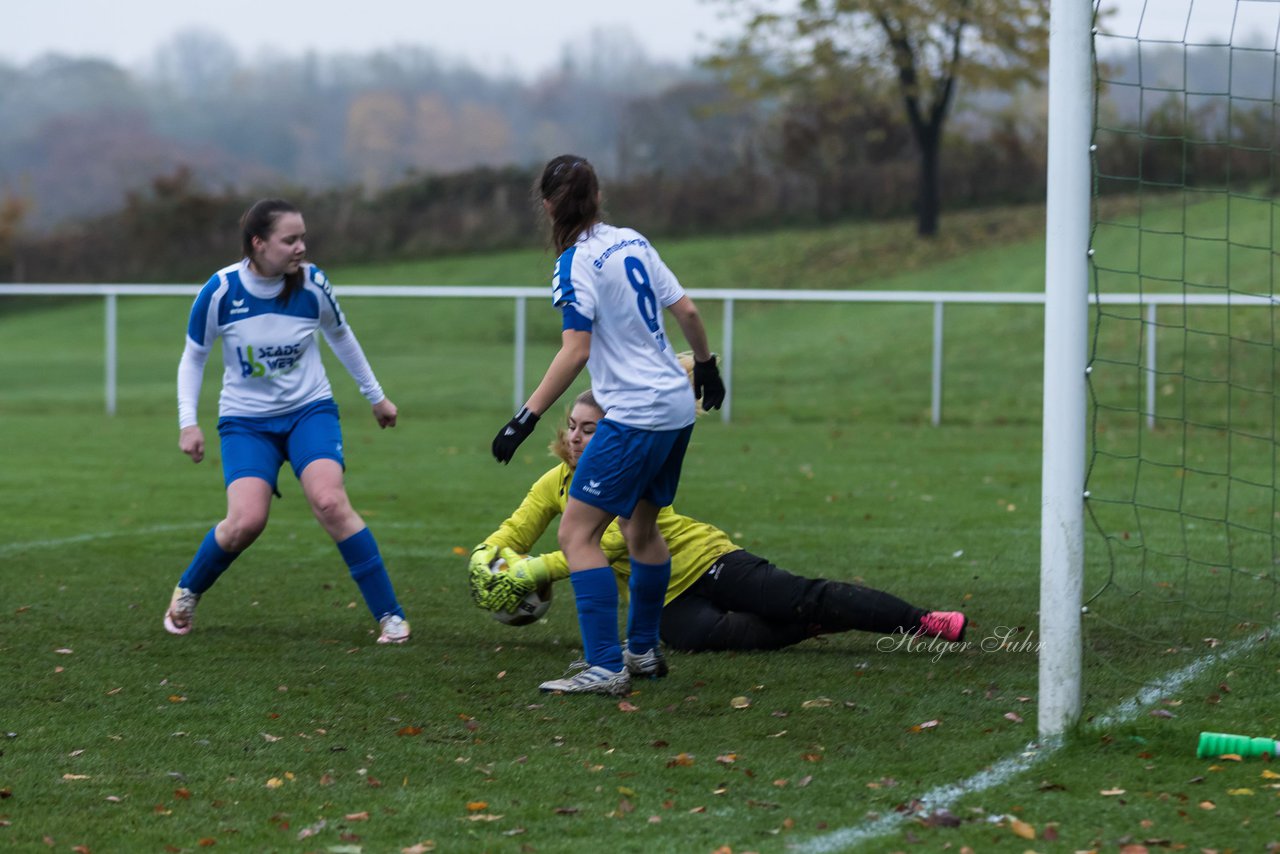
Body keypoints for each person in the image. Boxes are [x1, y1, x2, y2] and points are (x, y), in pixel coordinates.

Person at [480, 154, 726, 696]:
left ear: (547, 206)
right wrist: (706, 365)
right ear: (597, 198)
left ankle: (605, 665)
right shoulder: (633, 240)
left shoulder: (573, 263)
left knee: (576, 532)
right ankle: (642, 651)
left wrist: (525, 418)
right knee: (642, 528)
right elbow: (685, 312)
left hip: (635, 413)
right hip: (676, 407)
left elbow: (575, 350)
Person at [471, 390, 967, 655]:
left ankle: (924, 621)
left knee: (801, 595)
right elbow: (518, 527)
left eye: (592, 430)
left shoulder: (627, 468)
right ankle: (813, 625)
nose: (577, 438)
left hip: (708, 561)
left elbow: (616, 545)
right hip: (663, 596)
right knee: (709, 639)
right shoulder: (553, 481)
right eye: (574, 428)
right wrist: (489, 555)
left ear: (615, 435)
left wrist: (535, 571)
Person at [165, 198, 410, 644]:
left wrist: (376, 397)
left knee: (330, 502)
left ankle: (391, 616)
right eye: (290, 239)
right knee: (245, 522)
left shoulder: (313, 284)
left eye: (303, 238)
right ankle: (187, 592)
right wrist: (188, 422)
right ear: (258, 243)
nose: (301, 247)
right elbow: (193, 358)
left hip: (308, 412)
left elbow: (342, 337)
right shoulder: (220, 290)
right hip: (245, 422)